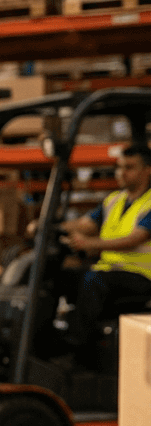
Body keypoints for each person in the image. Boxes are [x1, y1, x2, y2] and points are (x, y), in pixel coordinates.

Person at [60, 143, 151, 348]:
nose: (122, 173)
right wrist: (50, 226)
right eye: (119, 167)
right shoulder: (113, 200)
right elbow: (85, 224)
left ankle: (79, 347)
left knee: (94, 281)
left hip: (142, 277)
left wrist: (91, 244)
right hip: (109, 271)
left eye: (129, 167)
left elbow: (136, 238)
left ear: (147, 170)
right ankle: (46, 341)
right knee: (59, 276)